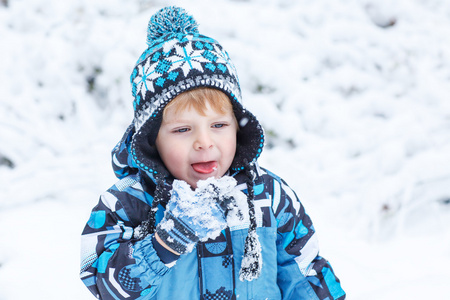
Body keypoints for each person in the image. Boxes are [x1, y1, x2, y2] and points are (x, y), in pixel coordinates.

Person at [80, 6, 346, 300]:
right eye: (183, 130)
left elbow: (305, 276)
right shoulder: (129, 204)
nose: (204, 142)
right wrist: (167, 240)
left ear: (237, 127)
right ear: (153, 139)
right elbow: (105, 286)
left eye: (218, 125)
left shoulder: (268, 195)